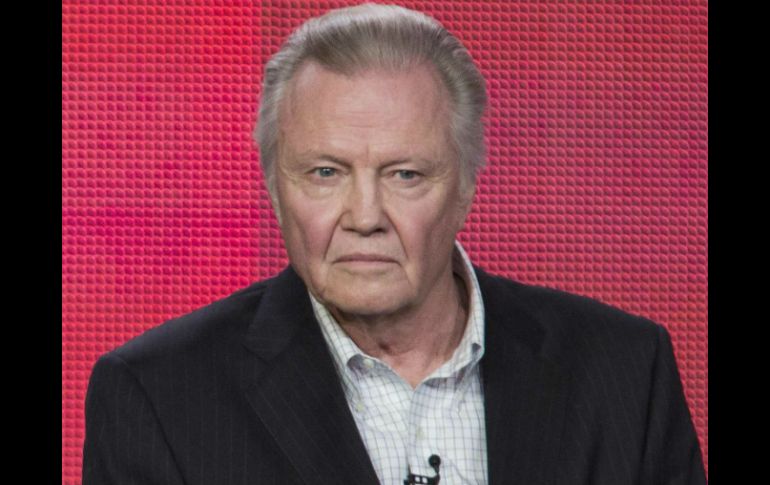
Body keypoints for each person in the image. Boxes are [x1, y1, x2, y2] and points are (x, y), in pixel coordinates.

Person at [82, 4, 706, 484]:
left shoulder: (625, 373)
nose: (365, 217)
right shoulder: (159, 396)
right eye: (325, 172)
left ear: (466, 186)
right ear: (274, 186)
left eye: (405, 174)